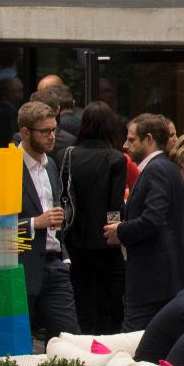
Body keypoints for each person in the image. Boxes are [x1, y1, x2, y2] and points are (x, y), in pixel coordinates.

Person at [118, 120, 184, 329]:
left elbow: (152, 219)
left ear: (149, 139)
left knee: (134, 342)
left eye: (131, 139)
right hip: (167, 279)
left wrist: (120, 230)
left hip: (153, 282)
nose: (125, 146)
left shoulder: (157, 169)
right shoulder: (169, 169)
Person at [9, 100, 82, 339]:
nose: (52, 137)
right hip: (20, 266)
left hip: (55, 265)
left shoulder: (50, 164)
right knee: (18, 342)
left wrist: (64, 256)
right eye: (45, 131)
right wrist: (34, 223)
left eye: (54, 130)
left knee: (70, 340)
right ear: (25, 132)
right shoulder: (6, 165)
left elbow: (56, 210)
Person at [58, 102, 129, 335]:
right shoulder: (116, 159)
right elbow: (114, 204)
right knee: (110, 298)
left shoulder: (66, 155)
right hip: (105, 239)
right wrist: (115, 232)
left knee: (81, 295)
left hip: (74, 236)